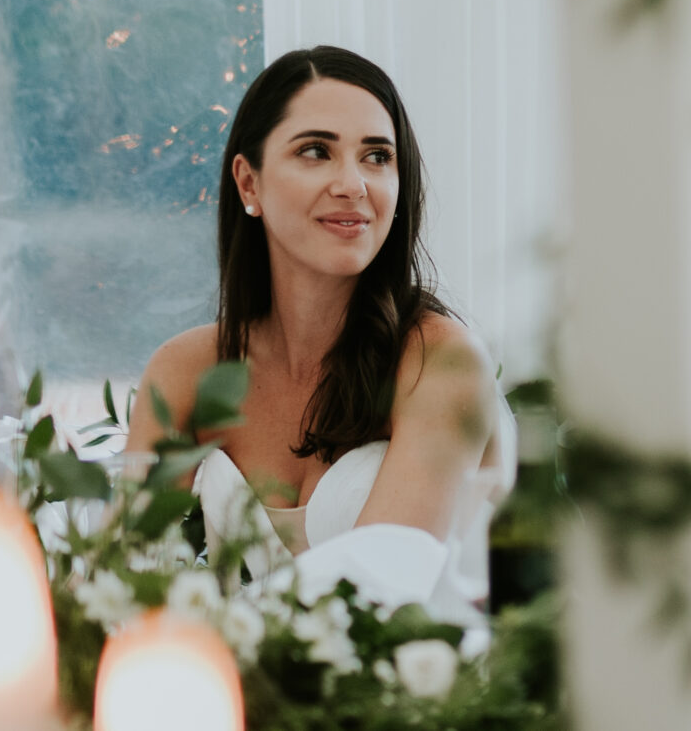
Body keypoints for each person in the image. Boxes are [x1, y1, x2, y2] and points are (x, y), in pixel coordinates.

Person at [128, 45, 507, 610]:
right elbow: (126, 581)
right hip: (235, 688)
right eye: (316, 151)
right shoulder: (186, 370)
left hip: (424, 686)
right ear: (249, 183)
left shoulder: (442, 363)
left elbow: (376, 600)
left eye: (377, 157)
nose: (353, 183)